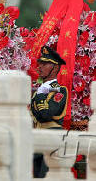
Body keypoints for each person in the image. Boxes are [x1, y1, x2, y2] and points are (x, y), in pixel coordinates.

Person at [31, 46, 67, 178]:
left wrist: (40, 94)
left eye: (45, 64)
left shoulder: (60, 91)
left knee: (46, 176)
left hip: (52, 137)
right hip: (37, 137)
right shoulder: (39, 90)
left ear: (56, 68)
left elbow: (46, 114)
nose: (40, 67)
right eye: (40, 63)